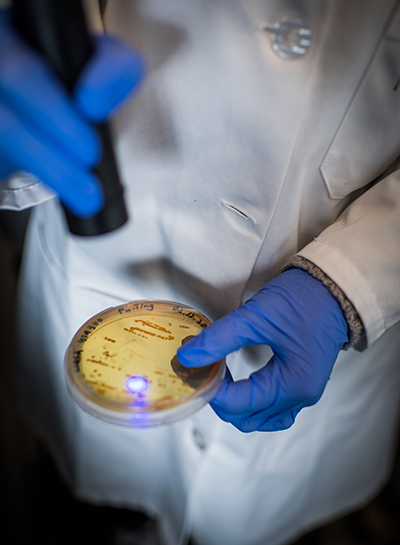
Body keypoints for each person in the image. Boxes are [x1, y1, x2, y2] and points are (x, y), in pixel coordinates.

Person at [1, 1, 400, 544]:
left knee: (269, 519)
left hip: (335, 311)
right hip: (94, 268)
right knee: (87, 498)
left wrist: (353, 280)